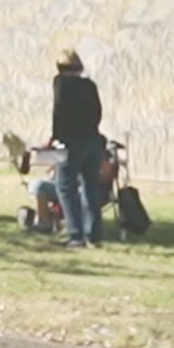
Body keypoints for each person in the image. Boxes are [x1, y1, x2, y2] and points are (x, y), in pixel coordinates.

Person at [49, 50, 108, 248]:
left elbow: (59, 111)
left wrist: (58, 137)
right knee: (90, 186)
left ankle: (76, 234)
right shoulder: (90, 86)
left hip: (71, 142)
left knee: (65, 186)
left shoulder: (61, 84)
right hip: (92, 140)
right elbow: (98, 113)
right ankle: (94, 234)